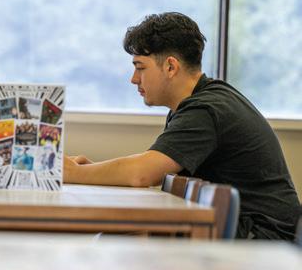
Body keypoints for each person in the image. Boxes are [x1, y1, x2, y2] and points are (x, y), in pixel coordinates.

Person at [64, 12, 300, 240]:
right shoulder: (196, 103)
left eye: (140, 67)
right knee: (119, 236)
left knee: (120, 239)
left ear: (170, 67)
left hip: (261, 236)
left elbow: (142, 174)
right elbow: (149, 168)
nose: (134, 79)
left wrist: (76, 173)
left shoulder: (206, 109)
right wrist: (93, 170)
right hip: (240, 227)